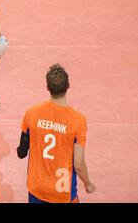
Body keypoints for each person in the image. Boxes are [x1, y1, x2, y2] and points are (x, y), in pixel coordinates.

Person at [17, 64, 96, 203]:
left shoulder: (32, 113)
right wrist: (88, 183)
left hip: (37, 188)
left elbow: (21, 152)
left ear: (47, 87)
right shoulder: (78, 120)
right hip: (62, 192)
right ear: (68, 86)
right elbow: (78, 164)